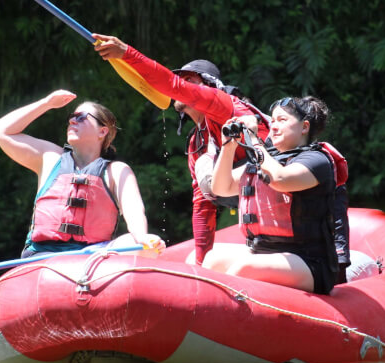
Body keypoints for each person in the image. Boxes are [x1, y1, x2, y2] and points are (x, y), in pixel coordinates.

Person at [92, 34, 271, 265]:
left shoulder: (223, 103)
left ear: (209, 87)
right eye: (181, 78)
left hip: (282, 189)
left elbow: (171, 85)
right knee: (196, 259)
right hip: (252, 203)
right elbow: (203, 204)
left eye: (190, 80)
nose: (182, 83)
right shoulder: (196, 141)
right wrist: (200, 262)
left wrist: (126, 53)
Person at [0, 89, 165, 258]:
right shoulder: (50, 158)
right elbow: (1, 131)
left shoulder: (117, 170)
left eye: (81, 117)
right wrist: (47, 103)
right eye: (71, 118)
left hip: (93, 255)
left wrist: (143, 238)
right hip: (43, 254)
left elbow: (134, 212)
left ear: (102, 131)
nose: (72, 121)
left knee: (139, 245)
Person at [202, 96, 339, 294]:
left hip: (309, 261)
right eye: (272, 120)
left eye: (282, 120)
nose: (274, 127)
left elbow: (280, 179)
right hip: (265, 251)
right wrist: (228, 146)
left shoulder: (317, 160)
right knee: (212, 259)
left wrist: (254, 140)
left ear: (304, 127)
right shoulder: (266, 160)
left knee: (245, 269)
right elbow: (221, 187)